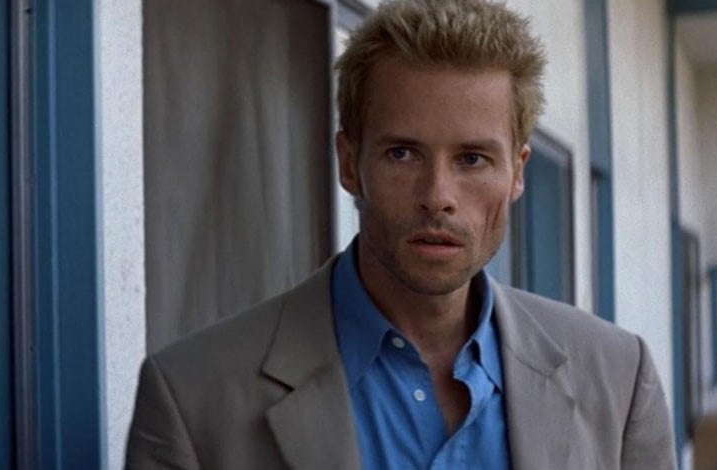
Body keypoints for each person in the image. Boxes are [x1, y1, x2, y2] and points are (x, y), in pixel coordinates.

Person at [125, 0, 676, 468]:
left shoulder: (618, 379)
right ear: (349, 163)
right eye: (403, 153)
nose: (438, 195)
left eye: (473, 159)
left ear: (517, 173)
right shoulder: (193, 398)